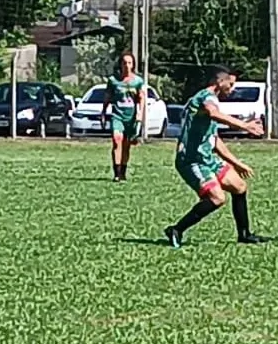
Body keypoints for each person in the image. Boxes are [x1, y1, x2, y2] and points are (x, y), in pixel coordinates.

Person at [164, 67, 265, 248]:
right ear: (220, 82)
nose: (232, 89)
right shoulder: (206, 97)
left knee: (239, 186)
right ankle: (176, 229)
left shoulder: (211, 100)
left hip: (207, 159)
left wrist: (236, 163)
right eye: (230, 85)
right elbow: (213, 113)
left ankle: (244, 234)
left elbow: (215, 141)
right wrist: (244, 126)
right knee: (217, 198)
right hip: (192, 160)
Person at [104, 52, 148, 181]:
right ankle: (117, 173)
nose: (127, 66)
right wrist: (103, 111)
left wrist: (140, 114)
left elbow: (141, 98)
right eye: (124, 63)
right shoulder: (113, 81)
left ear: (133, 65)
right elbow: (107, 97)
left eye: (129, 63)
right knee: (117, 140)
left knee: (126, 145)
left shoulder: (138, 81)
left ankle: (123, 171)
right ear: (120, 65)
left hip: (131, 117)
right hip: (117, 115)